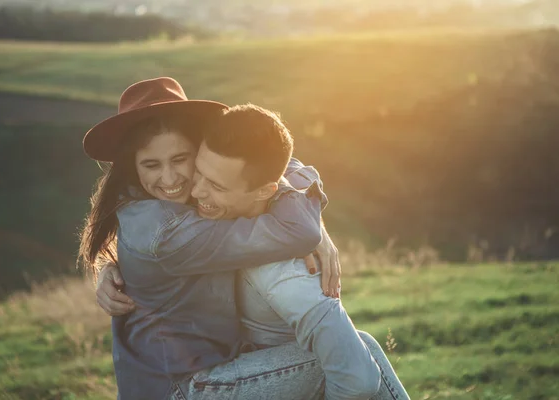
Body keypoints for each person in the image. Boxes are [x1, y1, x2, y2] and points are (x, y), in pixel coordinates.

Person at [83, 77, 409, 399]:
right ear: (132, 166)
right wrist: (312, 225)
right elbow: (295, 230)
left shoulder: (182, 194)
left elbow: (272, 163)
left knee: (357, 350)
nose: (170, 179)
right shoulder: (168, 232)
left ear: (200, 152)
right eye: (151, 165)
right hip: (185, 387)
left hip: (212, 369)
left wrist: (312, 219)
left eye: (181, 159)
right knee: (353, 358)